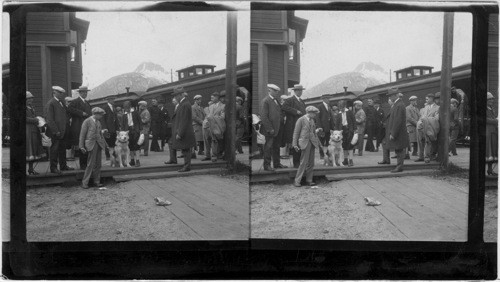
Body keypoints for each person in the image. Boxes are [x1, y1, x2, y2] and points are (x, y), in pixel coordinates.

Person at [45, 86, 74, 174]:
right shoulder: (51, 103)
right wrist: (55, 131)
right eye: (60, 93)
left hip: (63, 130)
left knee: (62, 149)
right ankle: (53, 168)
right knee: (54, 149)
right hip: (56, 131)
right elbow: (49, 119)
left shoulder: (61, 102)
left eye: (62, 93)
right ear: (54, 93)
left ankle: (63, 166)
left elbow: (66, 113)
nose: (61, 94)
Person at [260, 84, 287, 171]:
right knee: (268, 147)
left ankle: (277, 163)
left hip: (278, 128)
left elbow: (280, 112)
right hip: (271, 129)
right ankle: (267, 165)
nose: (277, 93)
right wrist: (269, 128)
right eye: (275, 91)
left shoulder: (276, 101)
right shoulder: (266, 101)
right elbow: (264, 116)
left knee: (276, 146)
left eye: (277, 91)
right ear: (269, 91)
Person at [292, 106, 321, 187]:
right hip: (304, 143)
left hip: (312, 143)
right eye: (314, 113)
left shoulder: (312, 120)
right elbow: (296, 132)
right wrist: (294, 144)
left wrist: (317, 133)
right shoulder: (301, 120)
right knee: (303, 162)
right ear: (310, 113)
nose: (315, 115)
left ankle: (309, 180)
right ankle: (297, 181)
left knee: (311, 163)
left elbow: (312, 132)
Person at [79, 107, 107, 189]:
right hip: (91, 144)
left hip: (99, 144)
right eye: (100, 115)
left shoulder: (98, 122)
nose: (101, 117)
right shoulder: (87, 121)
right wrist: (81, 146)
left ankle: (97, 181)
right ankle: (85, 183)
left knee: (98, 164)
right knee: (90, 164)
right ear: (96, 114)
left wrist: (105, 144)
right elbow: (82, 135)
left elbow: (100, 134)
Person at [170, 87, 197, 172]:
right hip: (184, 130)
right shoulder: (183, 104)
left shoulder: (184, 104)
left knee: (186, 149)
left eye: (176, 95)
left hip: (184, 131)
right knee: (185, 149)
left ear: (181, 95)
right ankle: (186, 165)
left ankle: (187, 166)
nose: (175, 98)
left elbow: (184, 120)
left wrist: (180, 133)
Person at [282, 84, 306, 168]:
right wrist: (295, 111)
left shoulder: (302, 101)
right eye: (298, 90)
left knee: (300, 144)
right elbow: (284, 107)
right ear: (295, 91)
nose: (300, 92)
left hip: (302, 126)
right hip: (293, 126)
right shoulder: (290, 100)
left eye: (301, 90)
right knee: (295, 144)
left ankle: (300, 162)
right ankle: (296, 163)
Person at [68, 85, 92, 170]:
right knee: (81, 146)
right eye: (83, 92)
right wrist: (81, 113)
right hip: (79, 127)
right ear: (80, 93)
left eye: (86, 92)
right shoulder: (75, 102)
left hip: (87, 128)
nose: (85, 94)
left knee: (86, 145)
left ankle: (86, 164)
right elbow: (69, 109)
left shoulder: (87, 103)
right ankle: (83, 165)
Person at [386, 87, 409, 173]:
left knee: (399, 149)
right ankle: (399, 166)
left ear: (395, 95)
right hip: (399, 132)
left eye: (391, 96)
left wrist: (393, 133)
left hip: (399, 132)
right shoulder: (397, 104)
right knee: (398, 149)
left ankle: (399, 167)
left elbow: (397, 120)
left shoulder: (399, 105)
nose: (390, 98)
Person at [415, 93, 440, 163]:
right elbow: (421, 117)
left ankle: (427, 157)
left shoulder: (438, 108)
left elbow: (436, 119)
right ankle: (420, 156)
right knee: (419, 141)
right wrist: (419, 122)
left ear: (432, 98)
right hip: (420, 127)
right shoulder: (425, 108)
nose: (426, 100)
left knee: (427, 141)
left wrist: (425, 120)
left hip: (429, 127)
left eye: (427, 99)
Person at [26, 91, 46, 175]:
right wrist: (36, 120)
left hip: (34, 131)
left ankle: (31, 169)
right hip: (27, 131)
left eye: (31, 98)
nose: (31, 100)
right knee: (29, 150)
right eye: (29, 99)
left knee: (33, 151)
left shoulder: (31, 108)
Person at [202, 92, 225, 162]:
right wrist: (205, 121)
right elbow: (207, 116)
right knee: (206, 141)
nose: (211, 99)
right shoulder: (210, 106)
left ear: (217, 97)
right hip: (207, 126)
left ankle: (214, 156)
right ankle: (207, 155)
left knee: (214, 140)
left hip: (215, 126)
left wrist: (212, 118)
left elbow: (222, 117)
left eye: (212, 97)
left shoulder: (223, 106)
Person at [121, 100, 142, 167]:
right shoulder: (124, 115)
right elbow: (123, 125)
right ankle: (132, 160)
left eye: (127, 108)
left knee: (137, 146)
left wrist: (140, 131)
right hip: (128, 132)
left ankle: (138, 161)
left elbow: (140, 122)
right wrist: (123, 133)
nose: (126, 109)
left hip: (135, 130)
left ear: (130, 107)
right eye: (125, 108)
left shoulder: (135, 113)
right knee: (130, 146)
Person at [102, 95, 120, 163]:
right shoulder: (105, 107)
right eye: (112, 99)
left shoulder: (113, 107)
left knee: (114, 142)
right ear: (109, 100)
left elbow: (116, 119)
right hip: (107, 129)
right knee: (107, 143)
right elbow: (103, 119)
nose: (114, 101)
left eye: (114, 99)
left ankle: (114, 155)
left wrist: (117, 128)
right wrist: (104, 128)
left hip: (114, 128)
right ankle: (107, 156)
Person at [338, 100, 355, 166]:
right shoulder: (339, 114)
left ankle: (351, 160)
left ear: (345, 106)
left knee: (350, 145)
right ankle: (345, 159)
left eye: (342, 107)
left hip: (349, 129)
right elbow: (337, 123)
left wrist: (355, 129)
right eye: (339, 108)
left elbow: (353, 120)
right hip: (342, 130)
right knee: (344, 145)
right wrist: (337, 131)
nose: (341, 109)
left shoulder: (349, 112)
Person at [316, 94, 332, 159]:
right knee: (321, 141)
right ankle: (321, 154)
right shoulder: (319, 106)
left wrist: (332, 127)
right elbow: (318, 117)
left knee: (328, 141)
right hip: (322, 127)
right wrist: (319, 126)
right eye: (328, 98)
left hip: (328, 127)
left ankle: (328, 153)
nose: (329, 100)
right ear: (324, 99)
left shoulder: (329, 106)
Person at [486, 92, 497, 175]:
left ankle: (490, 170)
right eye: (489, 99)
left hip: (493, 132)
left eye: (492, 99)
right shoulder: (485, 109)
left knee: (492, 152)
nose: (491, 100)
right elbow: (485, 120)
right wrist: (496, 121)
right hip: (487, 132)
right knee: (488, 152)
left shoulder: (491, 108)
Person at [164, 98, 177, 164]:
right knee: (171, 143)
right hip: (175, 127)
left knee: (171, 143)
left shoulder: (178, 107)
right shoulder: (176, 107)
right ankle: (172, 159)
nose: (172, 102)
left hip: (177, 128)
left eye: (174, 101)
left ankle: (173, 159)